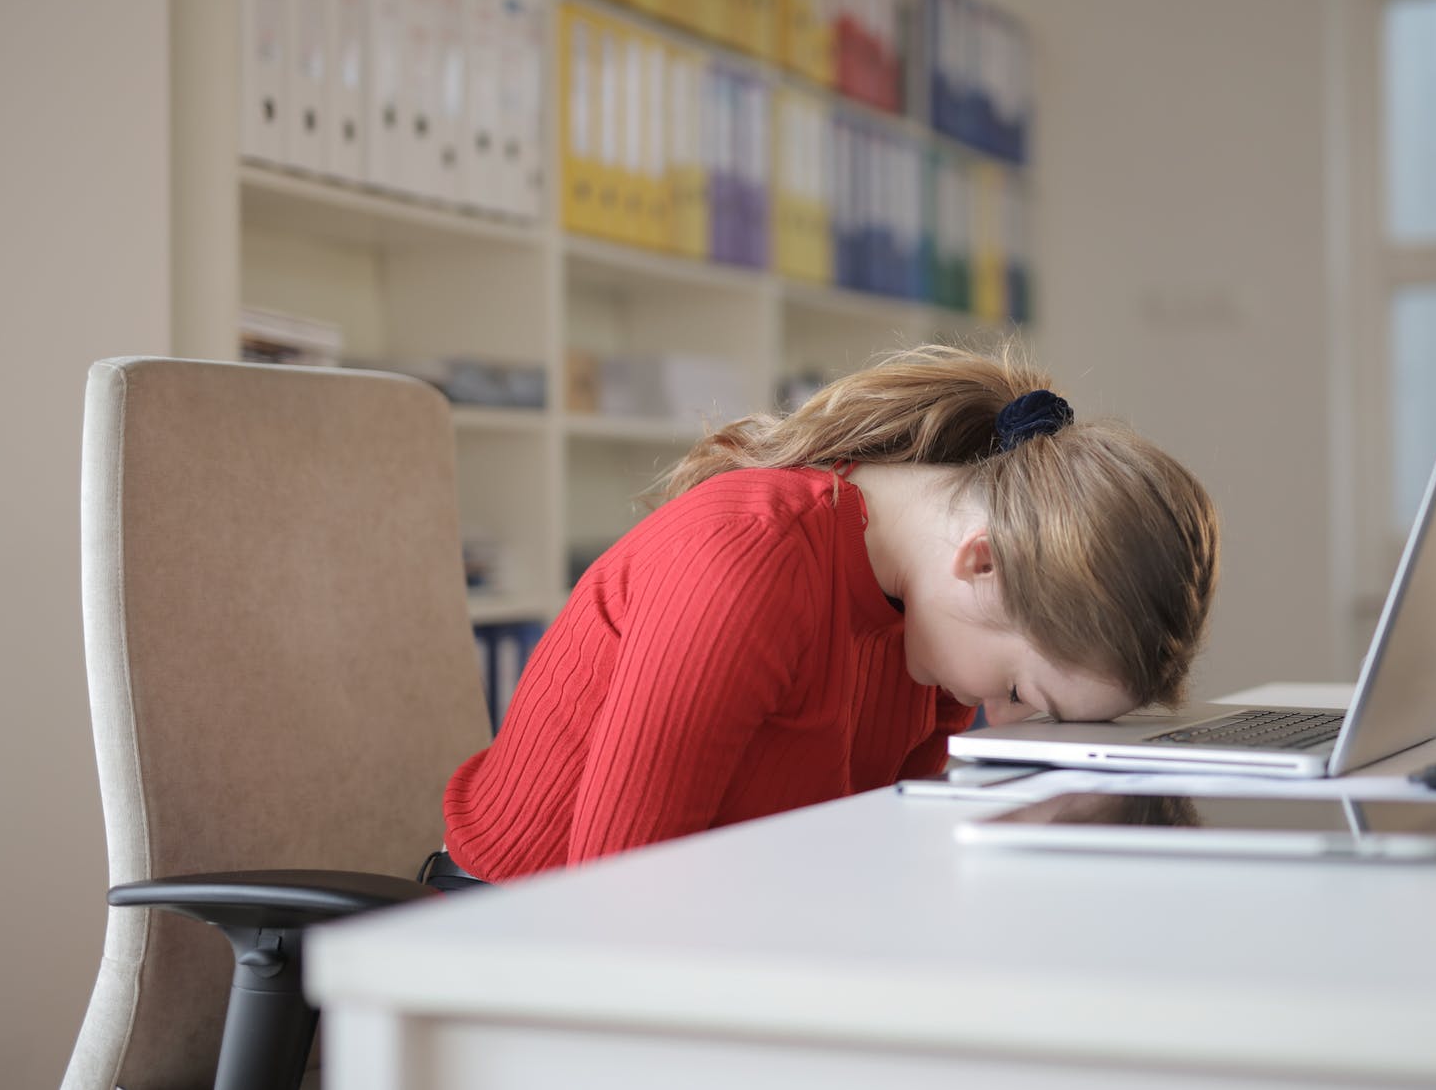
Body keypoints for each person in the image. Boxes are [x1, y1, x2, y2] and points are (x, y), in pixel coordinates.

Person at [437, 343, 1220, 881]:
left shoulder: (933, 625)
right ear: (982, 562)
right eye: (1023, 695)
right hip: (513, 940)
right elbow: (615, 903)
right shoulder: (748, 560)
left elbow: (873, 859)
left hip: (721, 927)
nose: (1005, 723)